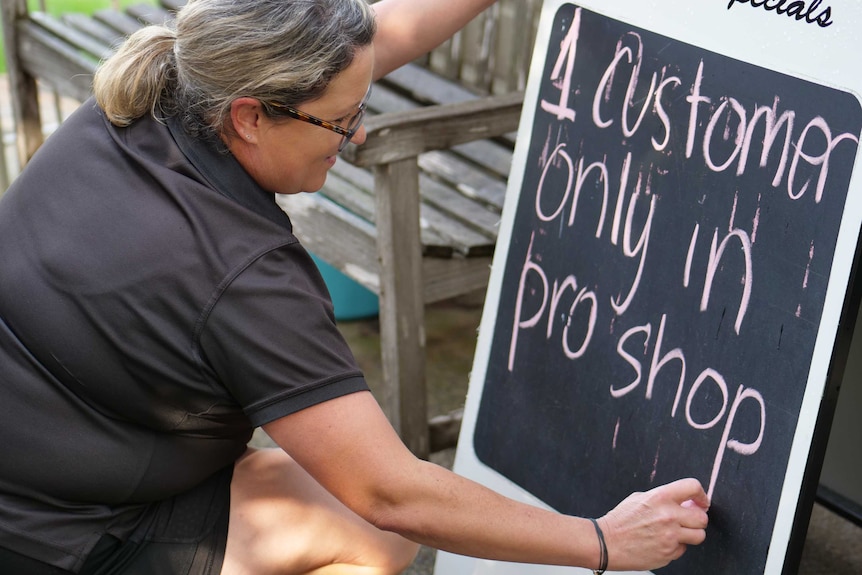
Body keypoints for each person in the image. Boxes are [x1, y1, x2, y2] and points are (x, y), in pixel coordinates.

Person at [0, 0, 710, 573]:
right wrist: (604, 541)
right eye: (341, 122)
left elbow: (367, 43)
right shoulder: (245, 277)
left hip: (54, 448)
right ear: (251, 115)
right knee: (376, 533)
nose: (359, 137)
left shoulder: (142, 103)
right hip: (62, 534)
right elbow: (389, 490)